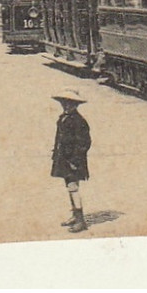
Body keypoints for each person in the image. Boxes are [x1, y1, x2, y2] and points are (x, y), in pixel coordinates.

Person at [50, 87, 92, 233]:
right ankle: (75, 215)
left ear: (76, 105)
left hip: (74, 160)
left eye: (70, 104)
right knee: (70, 186)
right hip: (64, 158)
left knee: (73, 187)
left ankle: (80, 221)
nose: (66, 106)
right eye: (64, 103)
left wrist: (75, 160)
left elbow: (84, 143)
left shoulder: (79, 121)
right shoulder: (63, 118)